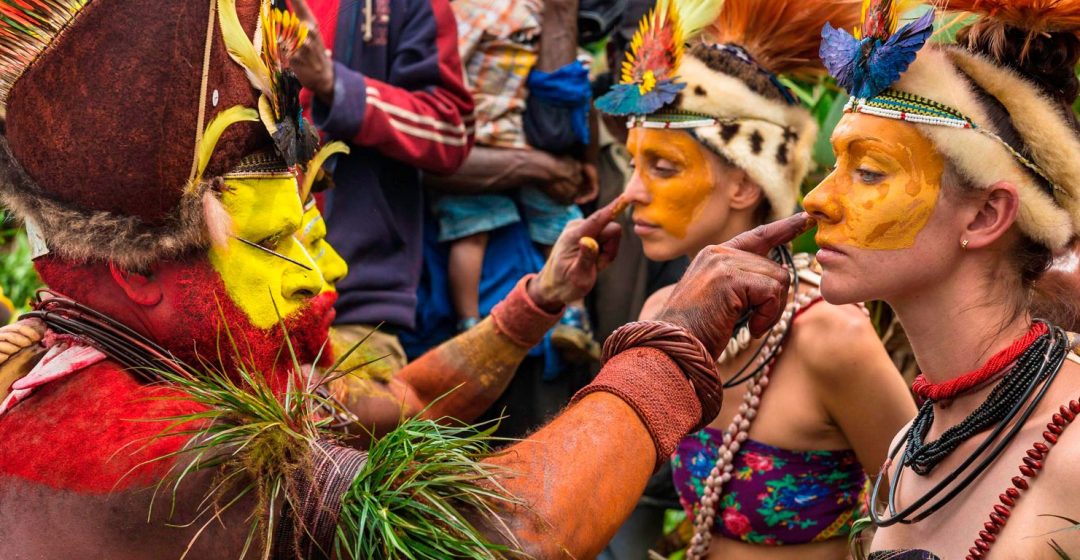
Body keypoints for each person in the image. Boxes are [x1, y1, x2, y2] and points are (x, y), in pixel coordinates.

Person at [0, 0, 814, 557]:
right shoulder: (135, 441)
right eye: (278, 240)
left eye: (311, 230)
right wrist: (672, 344)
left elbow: (398, 408)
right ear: (139, 270)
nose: (330, 273)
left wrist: (536, 305)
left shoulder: (153, 357)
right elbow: (509, 535)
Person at [594, 0, 917, 557]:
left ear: (745, 184)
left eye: (663, 166)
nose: (633, 193)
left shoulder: (830, 335)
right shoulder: (660, 314)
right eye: (633, 165)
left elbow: (919, 513)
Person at [807, 1, 1080, 558]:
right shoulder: (913, 442)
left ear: (985, 216)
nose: (817, 200)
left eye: (869, 172)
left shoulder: (1074, 448)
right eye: (836, 167)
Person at [289, 0, 474, 380]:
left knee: (339, 433)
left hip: (355, 312)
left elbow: (451, 129)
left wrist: (333, 84)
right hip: (239, 311)